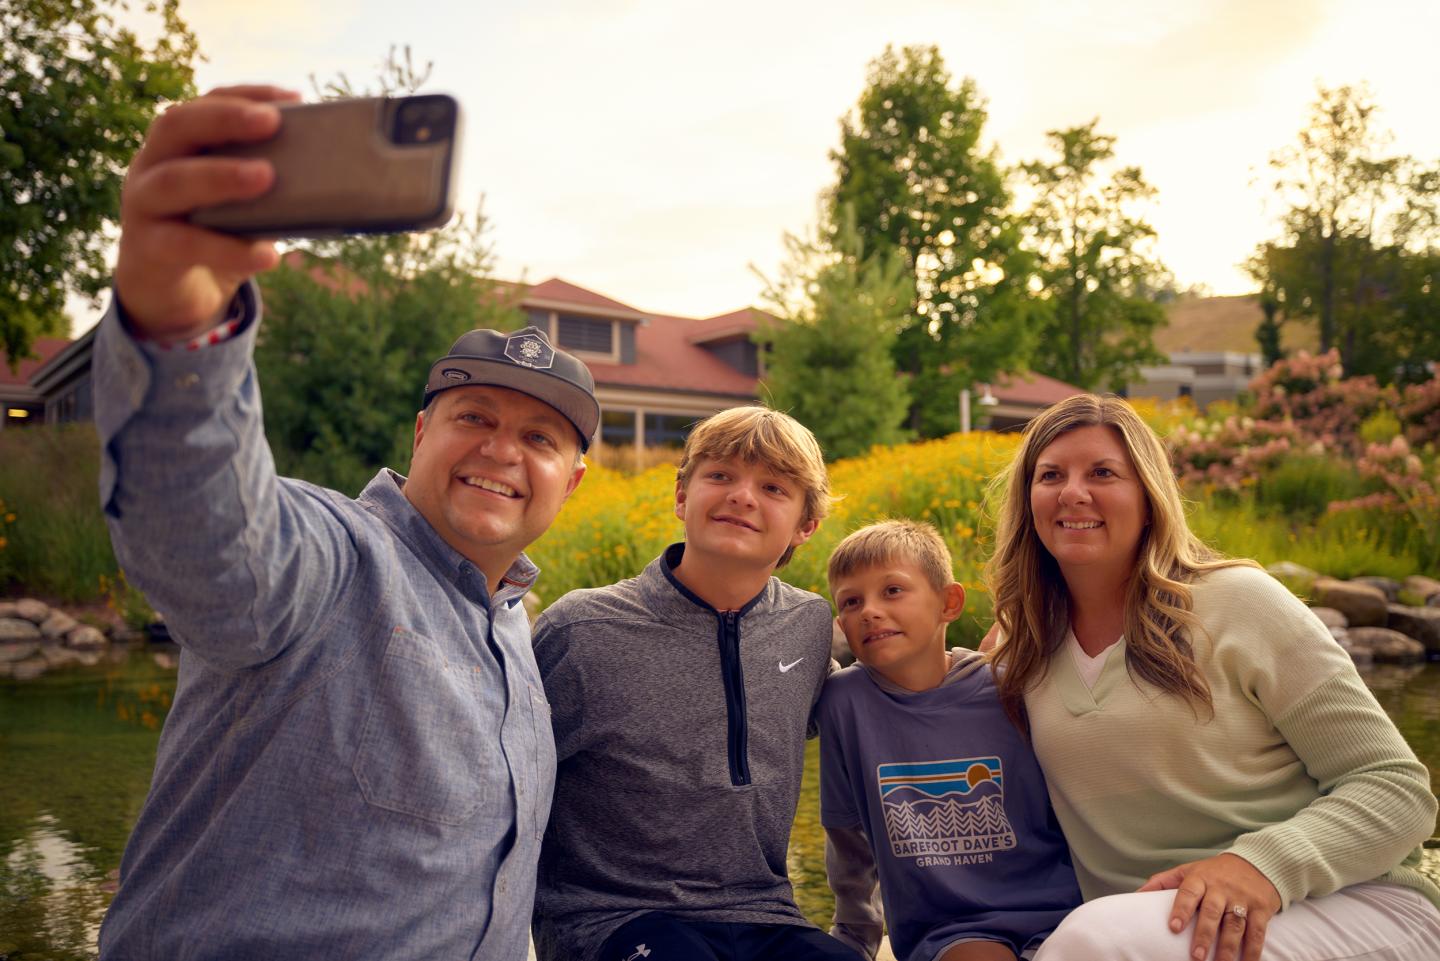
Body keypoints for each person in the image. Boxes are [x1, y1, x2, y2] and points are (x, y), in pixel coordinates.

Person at [94, 86, 595, 961]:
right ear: (421, 433)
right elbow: (213, 541)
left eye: (540, 437)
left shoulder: (521, 636)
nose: (503, 450)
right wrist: (181, 327)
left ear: (573, 479)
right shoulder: (330, 557)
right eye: (473, 416)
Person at [981, 393, 1440, 961]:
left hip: (1348, 904)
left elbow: (1398, 788)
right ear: (1029, 502)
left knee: (1088, 941)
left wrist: (1260, 866)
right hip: (1149, 928)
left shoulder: (1241, 604)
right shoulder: (1016, 650)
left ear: (1149, 498)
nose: (1073, 492)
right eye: (1050, 475)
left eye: (1103, 472)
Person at [531, 405, 860, 961]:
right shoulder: (583, 628)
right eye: (720, 475)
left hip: (763, 912)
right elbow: (504, 783)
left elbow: (872, 700)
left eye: (774, 488)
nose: (742, 496)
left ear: (806, 525)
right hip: (611, 917)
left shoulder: (807, 628)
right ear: (682, 496)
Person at [819, 520, 1082, 961]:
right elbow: (846, 834)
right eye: (851, 601)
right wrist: (855, 934)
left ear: (949, 603)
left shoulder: (1010, 687)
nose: (869, 610)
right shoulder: (845, 703)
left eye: (892, 591)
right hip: (951, 927)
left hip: (1060, 908)